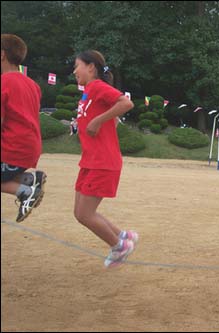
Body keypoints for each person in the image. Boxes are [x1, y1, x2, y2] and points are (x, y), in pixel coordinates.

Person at [72, 50, 137, 268]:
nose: (74, 71)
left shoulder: (97, 86)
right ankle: (123, 236)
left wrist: (98, 121)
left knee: (84, 214)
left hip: (102, 161)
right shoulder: (88, 92)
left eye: (77, 66)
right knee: (80, 213)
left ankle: (120, 246)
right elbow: (114, 116)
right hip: (90, 160)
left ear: (91, 67)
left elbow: (126, 103)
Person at [1, 34, 47, 223]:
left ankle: (25, 192)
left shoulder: (4, 82)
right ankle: (27, 179)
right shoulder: (32, 84)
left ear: (2, 55)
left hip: (12, 147)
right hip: (30, 145)